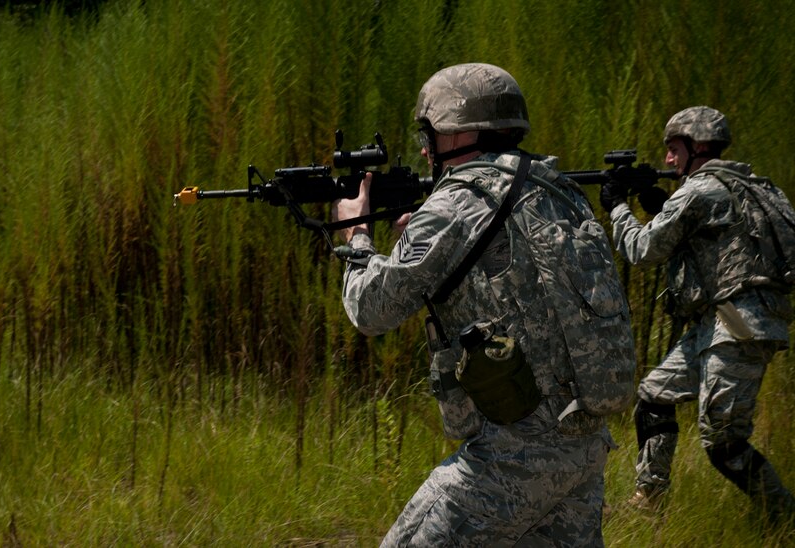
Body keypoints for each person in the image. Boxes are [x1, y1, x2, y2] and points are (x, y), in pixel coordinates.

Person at [333, 63, 624, 546]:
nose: (425, 147)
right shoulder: (561, 191)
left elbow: (370, 310)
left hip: (513, 460)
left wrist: (357, 236)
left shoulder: (455, 204)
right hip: (584, 447)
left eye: (430, 133)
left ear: (459, 132)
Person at [599, 106, 795, 524]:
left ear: (698, 146)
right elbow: (714, 245)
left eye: (674, 150)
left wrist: (616, 207)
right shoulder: (749, 184)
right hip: (724, 320)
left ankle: (783, 516)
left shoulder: (699, 190)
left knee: (724, 440)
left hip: (736, 323)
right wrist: (659, 206)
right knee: (654, 397)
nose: (668, 160)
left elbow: (641, 251)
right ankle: (650, 502)